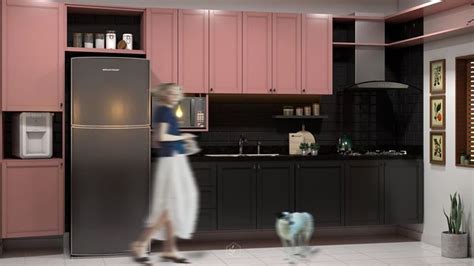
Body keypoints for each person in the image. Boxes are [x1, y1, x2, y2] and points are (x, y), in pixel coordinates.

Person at [130, 83, 199, 265]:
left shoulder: (166, 110)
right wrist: (183, 137)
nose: (175, 95)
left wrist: (180, 141)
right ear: (164, 94)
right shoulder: (163, 111)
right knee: (172, 203)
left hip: (173, 158)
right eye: (171, 92)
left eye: (177, 92)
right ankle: (141, 243)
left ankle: (169, 249)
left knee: (173, 203)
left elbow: (155, 141)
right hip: (171, 161)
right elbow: (161, 137)